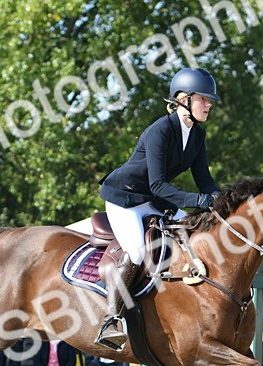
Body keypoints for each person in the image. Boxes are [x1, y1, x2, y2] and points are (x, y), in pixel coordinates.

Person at [95, 67, 222, 349]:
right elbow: (158, 185)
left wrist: (222, 202)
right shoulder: (160, 130)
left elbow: (205, 180)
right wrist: (198, 201)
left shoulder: (197, 135)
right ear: (184, 100)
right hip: (125, 198)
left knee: (191, 235)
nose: (209, 104)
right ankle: (111, 320)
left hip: (153, 199)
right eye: (203, 99)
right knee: (137, 251)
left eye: (209, 100)